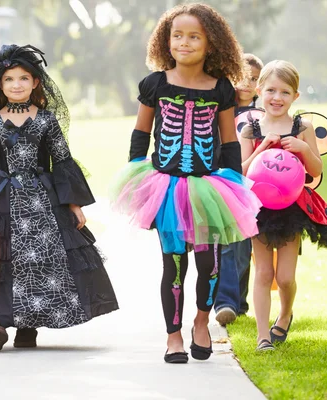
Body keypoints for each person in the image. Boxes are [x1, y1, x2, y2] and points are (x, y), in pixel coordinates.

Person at [110, 4, 262, 364]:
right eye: (177, 35)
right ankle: (173, 335)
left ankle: (201, 321)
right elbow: (141, 133)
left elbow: (227, 141)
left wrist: (232, 184)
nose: (185, 42)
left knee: (209, 262)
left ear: (211, 44)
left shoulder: (221, 88)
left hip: (209, 186)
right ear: (166, 40)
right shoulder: (155, 84)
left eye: (194, 36)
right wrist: (136, 176)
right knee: (174, 264)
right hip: (166, 188)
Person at [0, 44, 119, 351]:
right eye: (8, 79)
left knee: (39, 262)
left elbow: (62, 161)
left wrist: (74, 205)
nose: (16, 84)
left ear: (35, 82)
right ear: (0, 85)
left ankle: (28, 326)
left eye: (23, 78)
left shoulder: (46, 120)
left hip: (42, 205)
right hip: (4, 204)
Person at [239, 60, 327, 351]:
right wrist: (261, 148)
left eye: (285, 92)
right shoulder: (250, 130)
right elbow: (241, 172)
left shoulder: (302, 127)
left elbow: (315, 170)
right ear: (259, 90)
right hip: (259, 210)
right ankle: (263, 336)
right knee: (263, 273)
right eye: (271, 90)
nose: (277, 97)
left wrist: (304, 148)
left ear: (295, 96)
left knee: (285, 277)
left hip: (291, 209)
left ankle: (285, 313)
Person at [215, 53, 264, 326]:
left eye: (254, 79)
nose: (247, 83)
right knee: (227, 245)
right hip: (223, 183)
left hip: (253, 190)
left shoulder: (263, 116)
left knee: (243, 248)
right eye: (243, 76)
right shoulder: (220, 110)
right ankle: (225, 301)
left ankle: (239, 303)